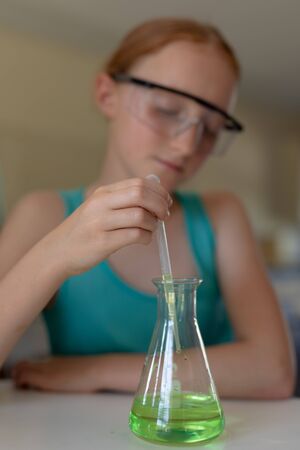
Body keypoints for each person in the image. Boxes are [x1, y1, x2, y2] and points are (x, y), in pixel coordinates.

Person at [0, 18, 295, 398]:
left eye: (210, 128)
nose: (187, 145)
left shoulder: (221, 215)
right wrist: (57, 252)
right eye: (167, 109)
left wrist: (96, 370)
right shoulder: (45, 213)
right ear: (108, 95)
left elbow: (273, 372)